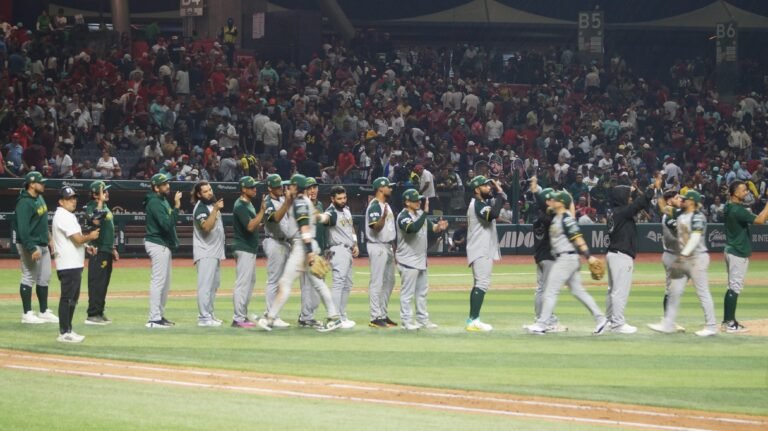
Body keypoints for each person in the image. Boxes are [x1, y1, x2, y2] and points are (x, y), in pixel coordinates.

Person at [257, 174, 341, 332]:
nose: (288, 187)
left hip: (302, 246)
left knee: (286, 282)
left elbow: (305, 228)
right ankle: (334, 317)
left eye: (291, 185)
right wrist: (326, 217)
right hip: (306, 245)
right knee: (318, 283)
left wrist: (309, 252)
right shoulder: (304, 201)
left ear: (297, 187)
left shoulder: (300, 202)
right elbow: (317, 217)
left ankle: (270, 318)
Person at [525, 190, 608, 335]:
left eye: (555, 200)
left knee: (550, 291)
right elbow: (546, 204)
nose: (552, 201)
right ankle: (601, 319)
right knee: (578, 291)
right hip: (564, 258)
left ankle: (541, 324)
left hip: (566, 259)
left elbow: (578, 238)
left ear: (561, 203)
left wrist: (589, 257)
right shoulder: (557, 216)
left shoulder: (566, 219)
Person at [648, 190, 717, 337]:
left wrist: (683, 255)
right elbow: (662, 206)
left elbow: (695, 237)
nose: (682, 200)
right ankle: (668, 324)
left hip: (697, 258)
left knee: (703, 292)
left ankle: (711, 326)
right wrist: (659, 189)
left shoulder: (698, 216)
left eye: (685, 199)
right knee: (674, 292)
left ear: (692, 201)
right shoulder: (680, 214)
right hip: (684, 259)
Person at [604, 175, 660, 334]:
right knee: (619, 291)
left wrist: (633, 191)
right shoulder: (622, 212)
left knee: (612, 290)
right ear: (622, 198)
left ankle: (609, 320)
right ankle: (617, 323)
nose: (630, 198)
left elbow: (636, 202)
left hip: (613, 254)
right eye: (627, 196)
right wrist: (652, 187)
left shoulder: (615, 212)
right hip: (621, 255)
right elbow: (639, 203)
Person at [52, 186, 99, 343]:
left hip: (73, 263)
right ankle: (64, 332)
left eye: (74, 198)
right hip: (68, 264)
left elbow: (76, 240)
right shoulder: (63, 216)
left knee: (72, 298)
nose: (73, 201)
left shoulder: (67, 215)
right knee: (68, 298)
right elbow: (77, 239)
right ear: (61, 201)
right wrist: (90, 236)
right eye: (69, 198)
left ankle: (68, 330)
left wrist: (87, 247)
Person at [396, 189, 448, 330]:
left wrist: (440, 227)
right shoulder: (403, 216)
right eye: (415, 200)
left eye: (419, 199)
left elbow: (433, 228)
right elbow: (412, 228)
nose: (419, 202)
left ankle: (422, 319)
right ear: (407, 202)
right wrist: (425, 213)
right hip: (407, 260)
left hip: (420, 259)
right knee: (407, 294)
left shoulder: (419, 214)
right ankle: (406, 321)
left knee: (421, 293)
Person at [721, 180, 768, 333]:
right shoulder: (736, 210)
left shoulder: (729, 206)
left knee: (731, 287)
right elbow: (761, 220)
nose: (746, 192)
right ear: (735, 193)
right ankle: (729, 323)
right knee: (735, 287)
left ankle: (729, 320)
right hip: (737, 251)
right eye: (743, 190)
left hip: (731, 249)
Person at [14, 171, 58, 324]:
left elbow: (43, 222)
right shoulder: (24, 203)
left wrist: (50, 238)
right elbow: (23, 229)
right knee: (29, 276)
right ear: (32, 184)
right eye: (41, 182)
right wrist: (32, 248)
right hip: (30, 244)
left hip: (42, 242)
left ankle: (44, 311)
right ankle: (27, 314)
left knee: (44, 278)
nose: (43, 184)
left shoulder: (39, 198)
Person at [465, 175, 506, 332]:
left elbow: (492, 211)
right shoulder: (477, 204)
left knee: (479, 284)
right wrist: (500, 194)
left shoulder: (480, 203)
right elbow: (493, 214)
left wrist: (499, 194)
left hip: (481, 248)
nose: (489, 187)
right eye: (485, 185)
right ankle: (473, 320)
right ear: (477, 189)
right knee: (482, 284)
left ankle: (472, 319)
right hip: (480, 249)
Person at [144, 173, 181, 328]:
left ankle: (159, 315)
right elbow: (166, 225)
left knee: (165, 283)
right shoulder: (154, 202)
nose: (168, 186)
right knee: (158, 281)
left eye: (167, 183)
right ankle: (153, 318)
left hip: (163, 244)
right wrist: (177, 207)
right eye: (164, 184)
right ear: (156, 187)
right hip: (157, 243)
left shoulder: (162, 200)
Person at [528, 178, 565, 332]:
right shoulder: (550, 219)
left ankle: (539, 318)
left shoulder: (538, 218)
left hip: (540, 256)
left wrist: (537, 191)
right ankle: (547, 320)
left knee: (541, 288)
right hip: (549, 257)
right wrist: (537, 191)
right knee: (548, 289)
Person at [319, 186, 358, 329]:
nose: (342, 201)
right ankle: (334, 317)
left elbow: (351, 228)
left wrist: (355, 243)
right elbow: (325, 218)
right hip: (337, 249)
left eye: (344, 198)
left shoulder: (346, 210)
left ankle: (341, 315)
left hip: (347, 249)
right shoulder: (331, 212)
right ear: (332, 199)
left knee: (347, 284)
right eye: (339, 198)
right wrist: (318, 216)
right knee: (339, 283)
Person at [260, 174, 295, 328]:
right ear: (269, 188)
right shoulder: (267, 202)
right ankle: (270, 314)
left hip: (284, 242)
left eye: (280, 186)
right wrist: (287, 203)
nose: (280, 189)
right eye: (276, 187)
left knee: (280, 280)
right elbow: (275, 219)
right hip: (274, 241)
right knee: (274, 280)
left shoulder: (281, 199)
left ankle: (273, 313)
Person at [231, 176, 266, 328]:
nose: (254, 189)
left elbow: (253, 224)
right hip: (243, 247)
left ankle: (242, 316)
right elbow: (250, 226)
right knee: (243, 283)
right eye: (251, 187)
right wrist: (263, 211)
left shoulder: (248, 204)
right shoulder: (240, 206)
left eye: (255, 187)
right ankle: (238, 318)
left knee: (249, 282)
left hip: (249, 247)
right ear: (243, 189)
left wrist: (260, 220)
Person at [192, 180, 225, 327]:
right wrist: (216, 210)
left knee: (214, 284)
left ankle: (210, 314)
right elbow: (206, 227)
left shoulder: (210, 206)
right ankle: (203, 317)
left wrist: (215, 208)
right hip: (205, 251)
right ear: (199, 194)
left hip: (215, 251)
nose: (209, 193)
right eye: (205, 191)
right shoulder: (200, 208)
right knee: (205, 286)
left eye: (210, 189)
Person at [84, 181, 118, 325]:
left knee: (103, 283)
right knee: (97, 282)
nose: (107, 193)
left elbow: (108, 230)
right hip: (98, 250)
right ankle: (92, 314)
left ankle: (99, 311)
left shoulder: (105, 207)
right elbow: (96, 221)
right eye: (104, 191)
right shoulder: (92, 207)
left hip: (106, 249)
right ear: (95, 194)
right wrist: (99, 203)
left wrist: (113, 248)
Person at [366, 177, 397, 328]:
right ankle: (374, 316)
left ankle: (382, 314)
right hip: (377, 245)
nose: (390, 189)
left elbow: (390, 231)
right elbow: (375, 227)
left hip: (387, 246)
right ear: (380, 189)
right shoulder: (375, 206)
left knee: (390, 281)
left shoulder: (386, 205)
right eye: (388, 187)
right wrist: (383, 218)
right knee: (377, 282)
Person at [657, 189, 686, 332]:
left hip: (678, 255)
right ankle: (668, 321)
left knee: (677, 290)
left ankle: (669, 320)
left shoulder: (677, 214)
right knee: (671, 290)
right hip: (672, 256)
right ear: (669, 201)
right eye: (677, 197)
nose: (680, 199)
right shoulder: (668, 217)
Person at [297, 177, 323, 327]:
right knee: (307, 284)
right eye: (310, 188)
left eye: (315, 187)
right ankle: (306, 317)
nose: (313, 190)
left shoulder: (319, 204)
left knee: (316, 285)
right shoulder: (301, 206)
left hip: (318, 249)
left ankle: (307, 315)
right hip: (306, 250)